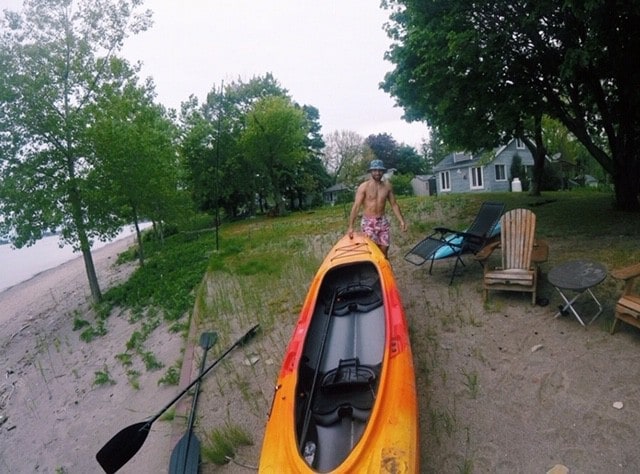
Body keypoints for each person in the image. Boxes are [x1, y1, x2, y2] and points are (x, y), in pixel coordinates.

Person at [348, 159, 407, 257]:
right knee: (373, 251)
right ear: (371, 171)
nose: (377, 173)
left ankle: (385, 269)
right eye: (375, 170)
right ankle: (374, 270)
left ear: (383, 171)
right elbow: (356, 206)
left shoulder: (387, 187)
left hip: (382, 221)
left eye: (380, 170)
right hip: (368, 223)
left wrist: (401, 221)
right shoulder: (364, 187)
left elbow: (394, 204)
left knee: (384, 250)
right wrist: (351, 226)